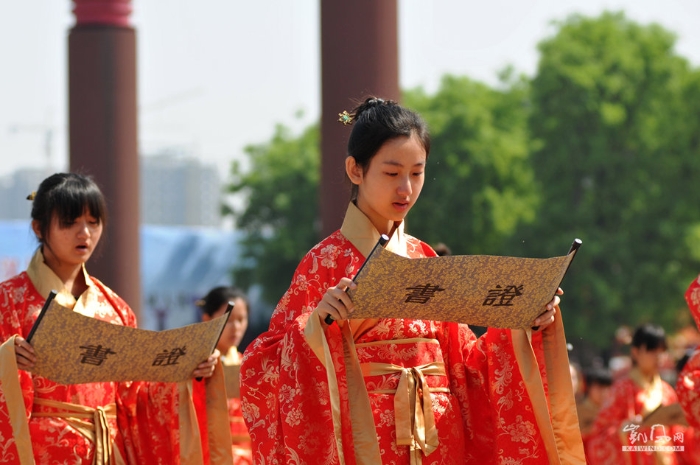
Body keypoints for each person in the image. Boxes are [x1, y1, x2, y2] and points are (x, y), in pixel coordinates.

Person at [240, 97, 585, 464]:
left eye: (417, 173)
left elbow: (465, 365)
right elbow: (262, 367)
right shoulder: (324, 262)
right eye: (392, 173)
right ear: (355, 170)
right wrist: (316, 327)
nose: (406, 188)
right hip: (367, 441)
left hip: (439, 441)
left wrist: (522, 322)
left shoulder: (425, 257)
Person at [0, 173, 229, 464]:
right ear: (39, 227)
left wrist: (189, 370)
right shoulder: (8, 301)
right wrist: (6, 359)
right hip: (41, 452)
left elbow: (135, 396)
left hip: (107, 451)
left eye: (93, 222)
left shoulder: (116, 308)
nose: (84, 233)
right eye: (70, 222)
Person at [587, 323, 684, 465]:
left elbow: (681, 436)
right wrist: (623, 429)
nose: (658, 356)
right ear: (635, 352)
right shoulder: (621, 390)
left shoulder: (667, 391)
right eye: (652, 350)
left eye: (662, 350)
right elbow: (598, 438)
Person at [198, 286, 252, 464]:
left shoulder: (249, 366)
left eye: (241, 320)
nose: (236, 328)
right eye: (228, 320)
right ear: (207, 320)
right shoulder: (197, 367)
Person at [576, 366, 613, 454]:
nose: (604, 392)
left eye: (607, 387)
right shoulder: (577, 411)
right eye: (599, 387)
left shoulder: (613, 410)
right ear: (587, 387)